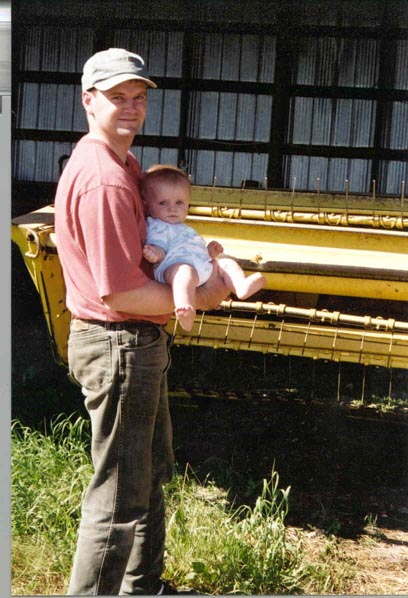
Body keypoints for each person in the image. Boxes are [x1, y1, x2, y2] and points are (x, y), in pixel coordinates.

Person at [54, 47, 229, 596]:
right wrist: (203, 294)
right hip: (118, 342)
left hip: (135, 341)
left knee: (148, 473)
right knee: (119, 497)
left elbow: (142, 254)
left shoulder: (127, 164)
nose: (130, 108)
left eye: (138, 98)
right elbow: (121, 288)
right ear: (88, 101)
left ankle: (143, 586)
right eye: (116, 97)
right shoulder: (105, 179)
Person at [141, 165, 266, 331]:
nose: (172, 208)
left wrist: (210, 252)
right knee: (184, 273)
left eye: (179, 202)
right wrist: (156, 253)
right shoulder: (158, 225)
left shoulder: (184, 227)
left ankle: (240, 286)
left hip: (201, 265)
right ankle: (184, 307)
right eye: (163, 203)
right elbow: (159, 244)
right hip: (172, 266)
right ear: (147, 205)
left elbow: (193, 250)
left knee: (226, 263)